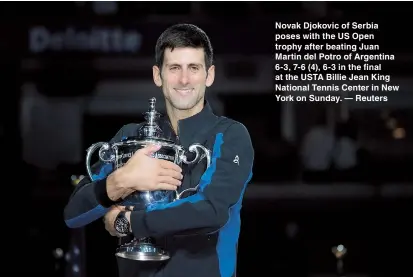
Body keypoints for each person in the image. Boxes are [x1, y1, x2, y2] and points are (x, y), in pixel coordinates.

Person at [64, 23, 255, 277]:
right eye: (174, 68)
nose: (184, 79)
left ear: (209, 75)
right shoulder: (131, 136)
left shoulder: (230, 135)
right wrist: (122, 181)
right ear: (158, 75)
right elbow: (73, 215)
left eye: (194, 68)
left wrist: (129, 222)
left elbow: (210, 210)